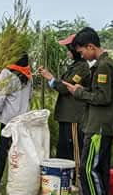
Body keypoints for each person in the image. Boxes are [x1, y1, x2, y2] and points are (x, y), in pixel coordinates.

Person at [61, 27, 113, 195]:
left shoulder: (104, 66)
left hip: (100, 126)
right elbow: (98, 92)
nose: (82, 55)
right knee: (92, 169)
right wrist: (82, 90)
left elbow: (103, 98)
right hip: (96, 124)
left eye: (82, 52)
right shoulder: (102, 65)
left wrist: (79, 93)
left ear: (91, 46)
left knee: (90, 169)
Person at [0, 53, 33, 195]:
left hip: (5, 120)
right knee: (18, 153)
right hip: (21, 120)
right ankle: (21, 185)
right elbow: (29, 98)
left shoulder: (7, 73)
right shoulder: (28, 75)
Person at [39, 34, 91, 164]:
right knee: (64, 151)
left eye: (69, 49)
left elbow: (65, 87)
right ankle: (67, 180)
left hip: (73, 116)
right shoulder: (75, 66)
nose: (68, 53)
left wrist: (51, 78)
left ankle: (77, 179)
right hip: (66, 116)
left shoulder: (82, 68)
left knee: (74, 151)